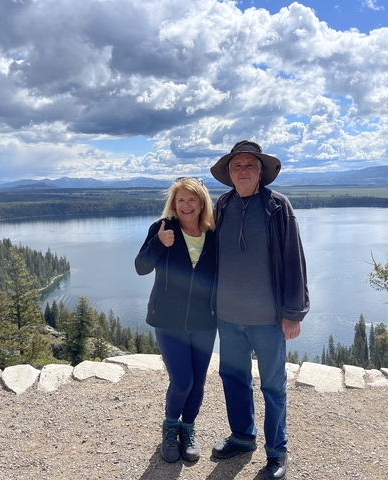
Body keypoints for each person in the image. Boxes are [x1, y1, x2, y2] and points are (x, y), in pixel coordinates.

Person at [209, 140, 309, 480]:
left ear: (261, 171)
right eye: (237, 165)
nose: (243, 171)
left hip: (268, 318)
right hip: (228, 315)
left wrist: (293, 312)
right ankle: (242, 437)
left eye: (250, 165)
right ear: (229, 172)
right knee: (234, 378)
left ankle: (277, 452)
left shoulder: (277, 207)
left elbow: (294, 260)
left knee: (273, 386)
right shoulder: (222, 205)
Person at [134, 177, 217, 463]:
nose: (186, 205)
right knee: (182, 381)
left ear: (202, 203)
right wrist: (158, 244)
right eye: (180, 200)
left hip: (205, 321)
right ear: (173, 203)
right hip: (168, 320)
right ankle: (170, 428)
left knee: (198, 383)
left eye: (192, 200)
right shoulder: (162, 229)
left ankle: (188, 429)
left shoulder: (214, 233)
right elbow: (141, 267)